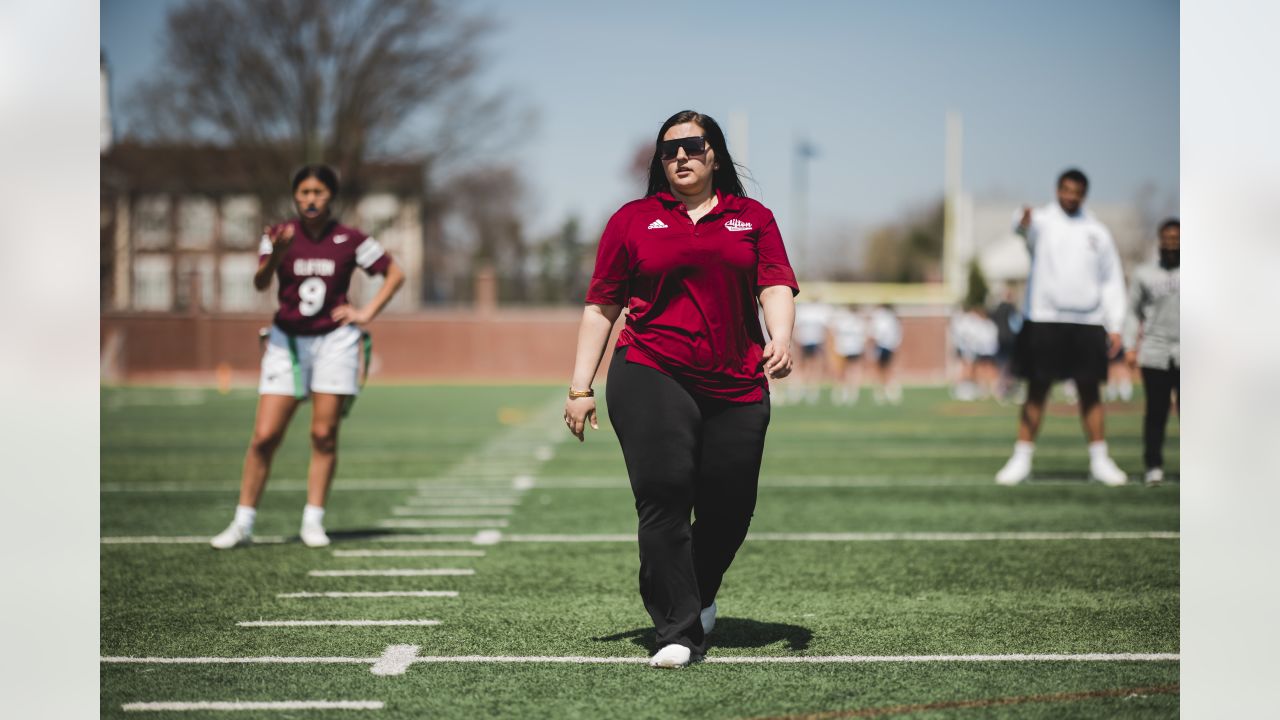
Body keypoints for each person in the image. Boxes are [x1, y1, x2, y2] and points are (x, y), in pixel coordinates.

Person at [564, 110, 798, 669]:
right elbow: (602, 307)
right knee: (665, 494)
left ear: (714, 153)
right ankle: (678, 631)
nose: (682, 157)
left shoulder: (753, 218)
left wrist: (782, 336)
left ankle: (696, 590)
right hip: (650, 368)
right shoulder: (632, 220)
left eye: (693, 146)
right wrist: (580, 387)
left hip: (737, 378)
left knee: (731, 507)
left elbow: (775, 283)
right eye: (669, 150)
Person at [211, 165, 405, 549]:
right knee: (265, 436)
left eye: (318, 192)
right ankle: (243, 522)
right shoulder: (278, 235)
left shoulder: (350, 238)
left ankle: (313, 520)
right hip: (287, 343)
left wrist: (366, 313)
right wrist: (276, 254)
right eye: (304, 192)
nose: (311, 199)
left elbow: (394, 273)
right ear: (294, 196)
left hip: (334, 342)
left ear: (330, 196)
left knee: (323, 434)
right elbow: (260, 282)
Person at [994, 168, 1128, 486]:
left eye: (1076, 191)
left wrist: (1116, 324)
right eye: (1065, 189)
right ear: (1057, 189)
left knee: (1090, 392)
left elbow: (1111, 281)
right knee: (1037, 390)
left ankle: (1099, 461)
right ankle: (1022, 459)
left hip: (1088, 321)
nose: (1070, 195)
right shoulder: (1041, 222)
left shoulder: (1098, 232)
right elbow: (1021, 226)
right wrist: (1022, 219)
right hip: (1043, 318)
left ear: (1084, 194)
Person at [1123, 218, 1180, 486]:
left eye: (1176, 239)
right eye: (1167, 239)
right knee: (1156, 412)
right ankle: (1153, 465)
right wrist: (1129, 345)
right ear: (1160, 241)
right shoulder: (1145, 274)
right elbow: (1132, 312)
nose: (1172, 244)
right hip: (1155, 350)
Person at [792, 299, 833, 403]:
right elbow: (796, 327)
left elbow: (825, 329)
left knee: (815, 366)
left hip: (815, 342)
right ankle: (800, 388)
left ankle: (812, 389)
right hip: (804, 341)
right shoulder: (804, 310)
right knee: (803, 365)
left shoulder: (820, 311)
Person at [829, 305, 867, 405]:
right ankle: (844, 391)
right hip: (844, 349)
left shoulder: (855, 321)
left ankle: (850, 391)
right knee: (845, 371)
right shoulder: (846, 320)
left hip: (851, 349)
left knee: (852, 371)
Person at [869, 304, 903, 405]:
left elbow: (895, 333)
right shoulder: (880, 317)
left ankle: (889, 390)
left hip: (887, 346)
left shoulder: (889, 318)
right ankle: (881, 390)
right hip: (882, 345)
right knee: (881, 369)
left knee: (887, 369)